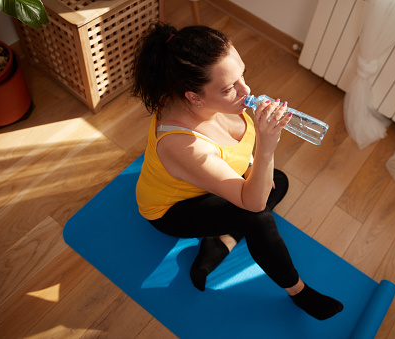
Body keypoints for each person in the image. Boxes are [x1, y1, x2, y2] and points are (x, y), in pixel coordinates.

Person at [132, 21, 343, 321]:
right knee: (255, 214)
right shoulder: (183, 144)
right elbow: (254, 204)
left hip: (205, 183)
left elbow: (245, 163)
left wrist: (257, 161)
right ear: (194, 96)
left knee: (276, 181)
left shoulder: (209, 98)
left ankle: (221, 243)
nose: (246, 91)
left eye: (241, 75)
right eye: (230, 87)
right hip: (170, 210)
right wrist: (267, 146)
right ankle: (298, 290)